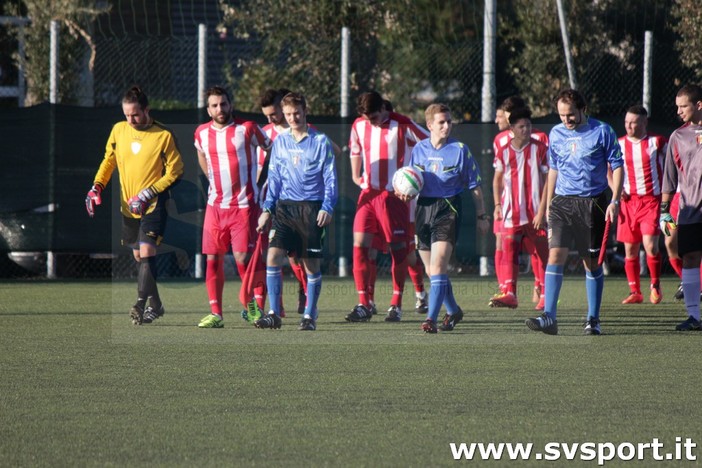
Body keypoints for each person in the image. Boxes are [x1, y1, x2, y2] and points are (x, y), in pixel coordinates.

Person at [525, 89, 623, 336]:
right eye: (561, 115)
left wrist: (615, 200)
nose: (566, 120)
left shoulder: (602, 131)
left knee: (591, 264)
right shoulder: (556, 133)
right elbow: (553, 170)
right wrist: (548, 205)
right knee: (555, 256)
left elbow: (618, 166)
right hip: (562, 203)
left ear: (583, 109)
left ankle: (593, 318)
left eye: (570, 115)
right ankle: (549, 316)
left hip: (593, 204)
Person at [85, 86, 184, 325]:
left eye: (135, 115)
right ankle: (157, 305)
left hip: (153, 205)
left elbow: (176, 171)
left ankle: (140, 305)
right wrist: (96, 187)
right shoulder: (119, 130)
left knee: (147, 251)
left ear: (146, 110)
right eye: (126, 115)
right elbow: (108, 161)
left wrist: (148, 192)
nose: (130, 120)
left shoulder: (163, 135)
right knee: (140, 257)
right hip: (128, 207)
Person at [403, 103, 489, 333]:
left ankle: (430, 318)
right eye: (441, 122)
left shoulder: (460, 149)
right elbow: (410, 180)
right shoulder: (419, 149)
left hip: (448, 208)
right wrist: (403, 191)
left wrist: (482, 215)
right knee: (432, 271)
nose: (447, 125)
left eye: (449, 121)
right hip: (423, 208)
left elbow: (476, 187)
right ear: (430, 125)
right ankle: (453, 311)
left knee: (439, 265)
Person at [345, 91, 429, 323]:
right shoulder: (359, 125)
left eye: (373, 116)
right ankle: (364, 303)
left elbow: (429, 143)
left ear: (383, 108)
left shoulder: (401, 125)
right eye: (366, 117)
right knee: (360, 246)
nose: (370, 122)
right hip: (369, 195)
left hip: (395, 198)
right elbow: (355, 149)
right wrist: (356, 176)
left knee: (400, 251)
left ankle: (397, 304)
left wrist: (416, 178)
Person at [255, 92, 337, 331]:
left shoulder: (321, 141)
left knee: (310, 265)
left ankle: (310, 315)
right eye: (288, 114)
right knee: (272, 257)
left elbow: (330, 178)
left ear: (305, 111)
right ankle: (273, 313)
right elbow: (275, 178)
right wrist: (267, 209)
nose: (292, 118)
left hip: (311, 209)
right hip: (284, 208)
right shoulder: (280, 141)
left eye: (296, 113)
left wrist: (327, 206)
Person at [194, 86, 271, 329]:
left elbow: (273, 151)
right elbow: (201, 155)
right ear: (208, 109)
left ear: (231, 105)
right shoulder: (201, 133)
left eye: (223, 104)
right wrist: (212, 181)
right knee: (212, 259)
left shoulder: (247, 128)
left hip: (245, 206)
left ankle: (254, 307)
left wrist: (266, 183)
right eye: (214, 105)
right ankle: (216, 314)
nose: (220, 109)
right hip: (215, 207)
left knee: (243, 259)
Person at [492, 96, 549, 307]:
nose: (526, 129)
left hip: (536, 212)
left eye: (528, 126)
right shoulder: (503, 150)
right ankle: (510, 293)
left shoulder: (540, 148)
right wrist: (498, 205)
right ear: (513, 129)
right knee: (509, 250)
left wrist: (545, 209)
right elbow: (497, 180)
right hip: (511, 211)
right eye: (521, 126)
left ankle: (545, 294)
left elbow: (547, 180)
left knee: (543, 253)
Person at [259, 88, 307, 315]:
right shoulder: (264, 133)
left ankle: (304, 291)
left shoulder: (301, 131)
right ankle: (274, 307)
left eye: (273, 114)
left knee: (296, 255)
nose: (270, 119)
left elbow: (332, 151)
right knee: (271, 253)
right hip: (270, 202)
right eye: (266, 116)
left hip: (299, 204)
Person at [615, 105, 667, 305]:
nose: (628, 125)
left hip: (653, 202)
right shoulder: (619, 144)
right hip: (628, 203)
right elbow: (608, 168)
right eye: (626, 121)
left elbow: (673, 164)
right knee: (630, 250)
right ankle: (635, 291)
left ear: (644, 122)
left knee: (651, 246)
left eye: (633, 122)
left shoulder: (658, 142)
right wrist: (616, 189)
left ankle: (655, 284)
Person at [660, 84, 702, 331]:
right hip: (689, 210)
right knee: (689, 258)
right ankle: (694, 316)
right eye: (677, 107)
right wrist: (665, 211)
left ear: (698, 105)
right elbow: (669, 177)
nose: (678, 111)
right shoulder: (677, 136)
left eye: (683, 106)